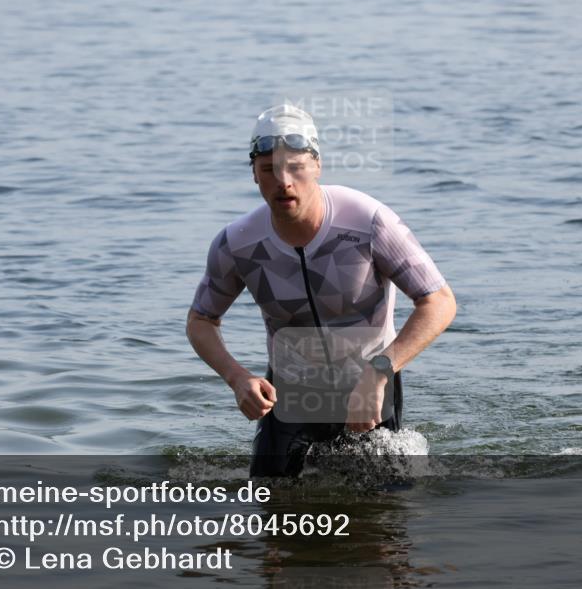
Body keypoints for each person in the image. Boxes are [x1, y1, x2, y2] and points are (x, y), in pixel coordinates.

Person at [186, 104, 456, 477]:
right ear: (254, 175)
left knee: (382, 516)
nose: (284, 181)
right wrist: (237, 378)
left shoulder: (369, 222)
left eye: (296, 167)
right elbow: (201, 319)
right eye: (269, 169)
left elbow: (438, 302)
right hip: (290, 391)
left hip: (370, 385)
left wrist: (379, 372)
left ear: (317, 165)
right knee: (268, 504)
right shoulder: (237, 243)